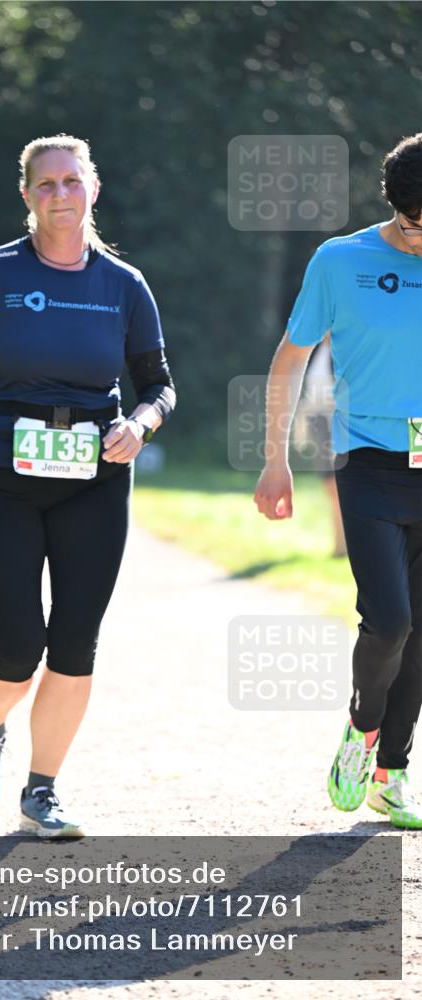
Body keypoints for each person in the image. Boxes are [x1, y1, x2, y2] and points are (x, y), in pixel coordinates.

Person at [0, 134, 176, 837]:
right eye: (46, 184)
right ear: (27, 195)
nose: (60, 195)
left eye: (71, 181)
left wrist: (141, 423)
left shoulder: (123, 285)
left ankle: (42, 790)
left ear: (92, 189)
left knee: (74, 641)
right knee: (16, 643)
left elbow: (159, 385)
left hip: (92, 478)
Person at [253, 132, 422, 829]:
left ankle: (392, 774)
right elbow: (289, 359)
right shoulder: (340, 261)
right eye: (415, 226)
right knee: (389, 621)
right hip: (369, 464)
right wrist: (273, 457)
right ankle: (361, 728)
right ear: (393, 206)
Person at [293, 335, 346, 557]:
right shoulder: (318, 349)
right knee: (329, 484)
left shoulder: (343, 347)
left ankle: (344, 544)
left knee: (338, 485)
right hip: (319, 422)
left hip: (338, 420)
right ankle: (340, 542)